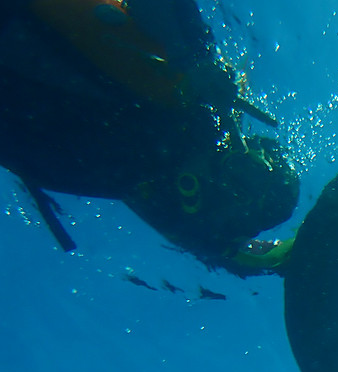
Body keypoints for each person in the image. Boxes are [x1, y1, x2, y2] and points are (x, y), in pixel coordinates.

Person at [0, 0, 299, 275]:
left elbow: (211, 242)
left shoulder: (163, 151)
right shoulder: (179, 117)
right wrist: (195, 55)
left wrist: (195, 55)